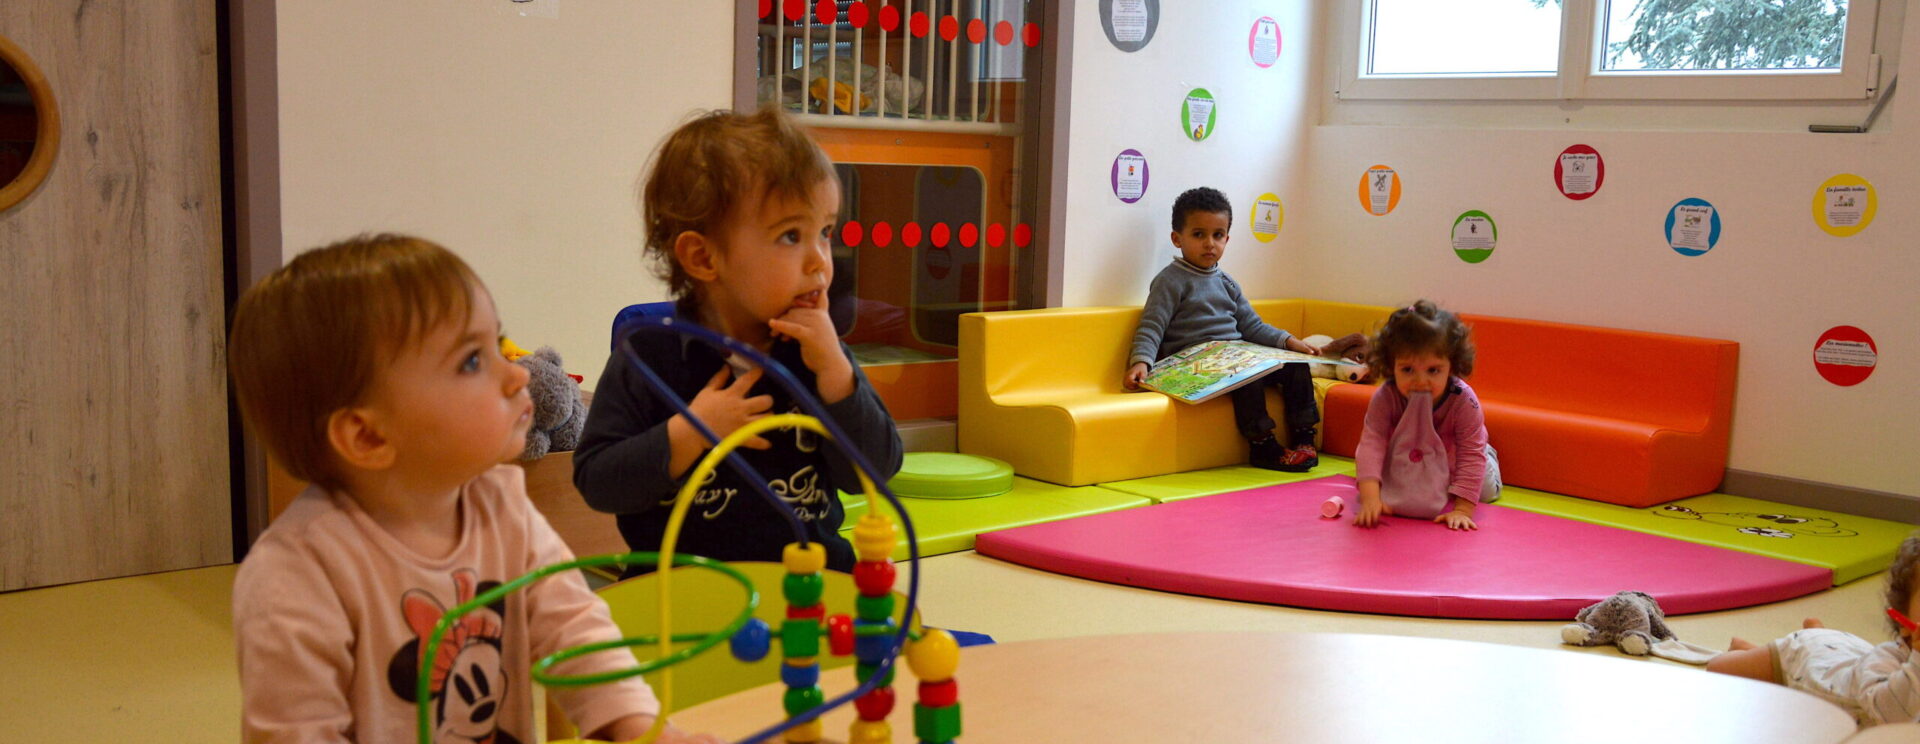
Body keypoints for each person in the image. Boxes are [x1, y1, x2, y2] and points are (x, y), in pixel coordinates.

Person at [229, 235, 718, 743]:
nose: (515, 376)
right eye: (471, 362)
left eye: (498, 345)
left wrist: (642, 726)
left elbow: (574, 630)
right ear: (369, 435)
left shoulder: (501, 506)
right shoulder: (296, 576)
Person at [574, 107, 903, 575]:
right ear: (703, 257)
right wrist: (692, 430)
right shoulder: (648, 356)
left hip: (805, 593)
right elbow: (599, 483)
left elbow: (874, 473)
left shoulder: (818, 353)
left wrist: (836, 375)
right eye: (791, 235)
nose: (820, 261)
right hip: (680, 598)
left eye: (824, 232)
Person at [1125, 186, 1324, 471]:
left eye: (1218, 235)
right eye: (1199, 234)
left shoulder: (1227, 282)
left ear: (1227, 239)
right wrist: (1141, 361)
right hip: (1196, 365)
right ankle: (1262, 446)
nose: (1210, 243)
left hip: (1233, 357)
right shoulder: (1170, 281)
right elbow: (1152, 325)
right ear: (1177, 238)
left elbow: (1252, 326)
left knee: (1296, 367)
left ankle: (1304, 436)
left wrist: (1290, 342)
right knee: (1248, 375)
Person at [1707, 533, 1920, 726]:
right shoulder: (1887, 660)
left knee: (1827, 647)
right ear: (1903, 623)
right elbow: (1893, 716)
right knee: (1719, 668)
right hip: (1805, 661)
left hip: (1842, 656)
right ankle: (1755, 650)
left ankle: (1813, 631)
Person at [1352, 300, 1501, 530]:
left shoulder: (1463, 399)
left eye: (1433, 370)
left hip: (1457, 452)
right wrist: (1371, 498)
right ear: (1392, 366)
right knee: (1374, 479)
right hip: (1410, 452)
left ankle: (1489, 453)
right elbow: (1372, 442)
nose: (1420, 382)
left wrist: (1462, 510)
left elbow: (1470, 454)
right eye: (1408, 370)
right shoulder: (1386, 396)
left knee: (1484, 490)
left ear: (1451, 367)